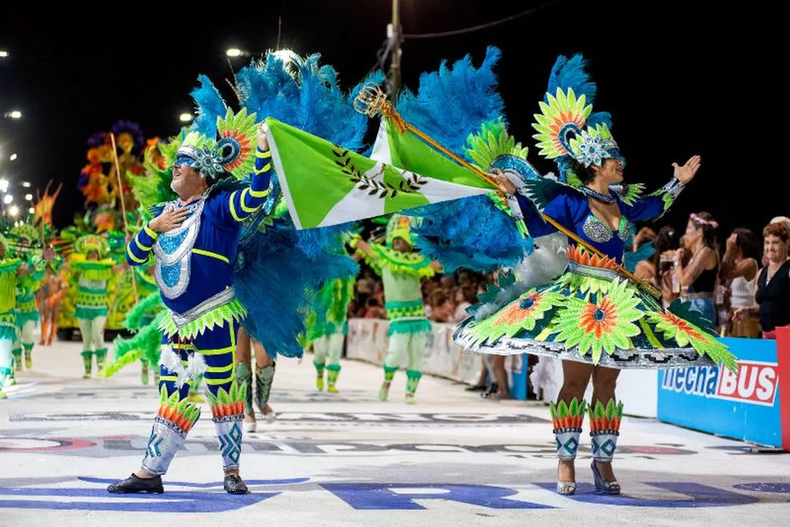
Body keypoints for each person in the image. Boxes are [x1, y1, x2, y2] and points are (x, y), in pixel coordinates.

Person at [456, 54, 737, 497]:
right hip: (581, 297)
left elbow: (654, 207)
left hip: (620, 296)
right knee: (576, 380)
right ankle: (565, 462)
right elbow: (536, 225)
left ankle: (602, 463)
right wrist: (514, 195)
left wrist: (679, 182)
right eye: (614, 158)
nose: (621, 162)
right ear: (596, 163)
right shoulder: (569, 201)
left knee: (609, 380)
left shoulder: (623, 203)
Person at [107, 116, 273, 495]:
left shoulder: (217, 206)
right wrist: (153, 229)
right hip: (177, 322)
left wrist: (262, 151)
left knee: (222, 390)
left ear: (203, 174)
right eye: (175, 161)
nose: (175, 166)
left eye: (184, 162)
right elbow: (133, 258)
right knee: (172, 393)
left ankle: (231, 471)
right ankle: (150, 472)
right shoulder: (162, 213)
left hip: (214, 314)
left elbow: (256, 197)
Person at [353, 214, 440, 403]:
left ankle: (410, 393)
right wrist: (350, 235)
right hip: (398, 318)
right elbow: (364, 247)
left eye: (402, 239)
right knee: (395, 354)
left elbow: (438, 265)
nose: (398, 242)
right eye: (396, 239)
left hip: (417, 317)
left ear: (409, 242)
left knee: (416, 357)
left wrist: (453, 253)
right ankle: (386, 383)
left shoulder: (418, 261)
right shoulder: (384, 257)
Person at [65, 235, 124, 378]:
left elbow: (122, 267)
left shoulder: (106, 269)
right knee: (86, 338)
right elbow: (63, 266)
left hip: (99, 308)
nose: (92, 256)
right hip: (83, 308)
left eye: (95, 253)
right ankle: (87, 370)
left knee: (98, 335)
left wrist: (128, 255)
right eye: (90, 253)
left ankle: (101, 367)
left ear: (98, 255)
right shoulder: (80, 269)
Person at [734, 223, 790, 338]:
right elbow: (761, 309)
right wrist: (748, 313)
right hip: (766, 335)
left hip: (786, 336)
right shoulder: (761, 273)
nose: (770, 248)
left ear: (787, 244)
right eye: (767, 243)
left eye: (775, 243)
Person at [674, 212, 720, 325]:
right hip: (693, 304)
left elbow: (684, 280)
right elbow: (681, 281)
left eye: (689, 228)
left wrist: (677, 261)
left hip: (701, 307)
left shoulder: (706, 252)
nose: (686, 233)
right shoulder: (697, 253)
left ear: (699, 232)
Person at [1, 234, 30, 398]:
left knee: (5, 357)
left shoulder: (11, 269)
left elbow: (29, 269)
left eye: (1, 246)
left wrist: (40, 260)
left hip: (6, 321)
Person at [720, 228, 761, 337]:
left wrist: (729, 251)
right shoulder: (735, 264)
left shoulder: (750, 263)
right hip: (734, 314)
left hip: (746, 316)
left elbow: (723, 274)